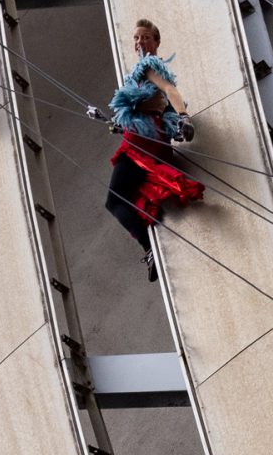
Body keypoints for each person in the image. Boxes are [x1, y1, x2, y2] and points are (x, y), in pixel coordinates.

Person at [85, 18, 203, 280]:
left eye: (145, 37)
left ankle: (149, 249)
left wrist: (184, 117)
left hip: (141, 140)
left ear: (156, 42)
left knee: (114, 200)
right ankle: (150, 243)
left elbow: (170, 91)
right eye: (136, 38)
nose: (140, 42)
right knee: (127, 194)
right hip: (147, 137)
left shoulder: (149, 66)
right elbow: (153, 104)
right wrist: (111, 120)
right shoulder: (145, 72)